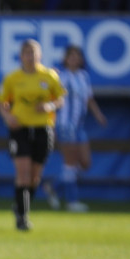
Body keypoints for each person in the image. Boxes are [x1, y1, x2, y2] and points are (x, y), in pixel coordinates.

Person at [0, 39, 65, 231]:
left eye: (33, 53)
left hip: (43, 129)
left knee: (35, 177)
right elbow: (3, 102)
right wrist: (8, 116)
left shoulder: (49, 76)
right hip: (20, 129)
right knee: (23, 174)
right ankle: (22, 218)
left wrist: (49, 105)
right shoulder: (13, 78)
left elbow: (60, 99)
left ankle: (20, 206)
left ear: (40, 56)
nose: (30, 57)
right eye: (27, 53)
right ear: (21, 56)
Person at [45, 46, 107, 212]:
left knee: (85, 163)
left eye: (77, 56)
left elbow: (89, 99)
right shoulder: (61, 76)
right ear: (65, 59)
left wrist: (98, 115)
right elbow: (51, 95)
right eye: (70, 56)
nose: (74, 59)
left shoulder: (83, 76)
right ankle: (72, 201)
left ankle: (54, 187)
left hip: (79, 125)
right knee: (70, 163)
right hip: (65, 124)